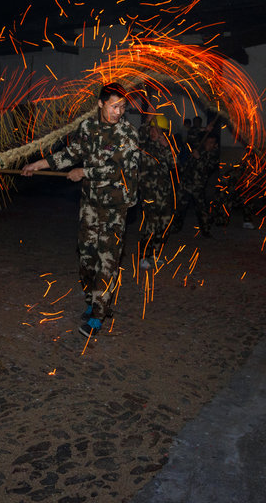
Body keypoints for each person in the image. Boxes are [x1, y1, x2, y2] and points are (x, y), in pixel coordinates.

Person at [22, 83, 139, 338]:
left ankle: (97, 316)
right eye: (114, 106)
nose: (119, 111)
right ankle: (95, 302)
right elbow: (70, 154)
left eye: (122, 107)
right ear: (100, 104)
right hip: (90, 206)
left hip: (115, 207)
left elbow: (117, 170)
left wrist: (85, 172)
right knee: (87, 259)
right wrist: (38, 164)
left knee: (107, 262)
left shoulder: (128, 134)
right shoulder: (88, 129)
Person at [137, 115, 177, 270]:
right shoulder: (145, 145)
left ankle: (155, 254)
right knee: (150, 226)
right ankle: (143, 256)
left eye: (157, 130)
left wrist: (167, 147)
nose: (153, 132)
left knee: (164, 224)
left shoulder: (166, 146)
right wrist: (147, 121)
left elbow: (174, 165)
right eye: (152, 129)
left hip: (164, 194)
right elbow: (139, 136)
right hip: (149, 194)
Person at [174, 133, 220, 236]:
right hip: (186, 184)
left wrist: (198, 158)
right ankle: (176, 227)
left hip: (198, 187)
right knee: (180, 207)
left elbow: (206, 169)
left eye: (211, 143)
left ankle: (205, 230)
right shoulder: (199, 151)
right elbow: (186, 166)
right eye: (207, 142)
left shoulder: (214, 156)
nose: (208, 144)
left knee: (201, 209)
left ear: (215, 145)